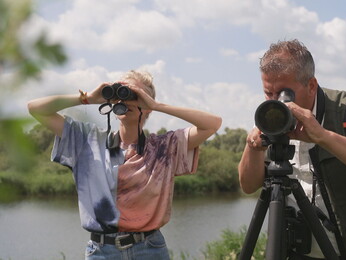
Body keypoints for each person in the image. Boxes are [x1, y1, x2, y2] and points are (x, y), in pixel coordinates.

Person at [28, 70, 222, 260]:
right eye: (120, 92)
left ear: (146, 105)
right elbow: (35, 108)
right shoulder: (88, 141)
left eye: (134, 95)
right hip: (101, 251)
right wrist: (87, 98)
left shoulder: (164, 147)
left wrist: (156, 105)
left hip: (150, 248)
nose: (125, 100)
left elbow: (212, 124)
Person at [238, 39, 346, 259]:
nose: (276, 102)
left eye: (284, 93)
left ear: (311, 85)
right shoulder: (272, 118)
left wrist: (323, 137)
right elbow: (248, 186)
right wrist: (254, 149)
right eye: (268, 93)